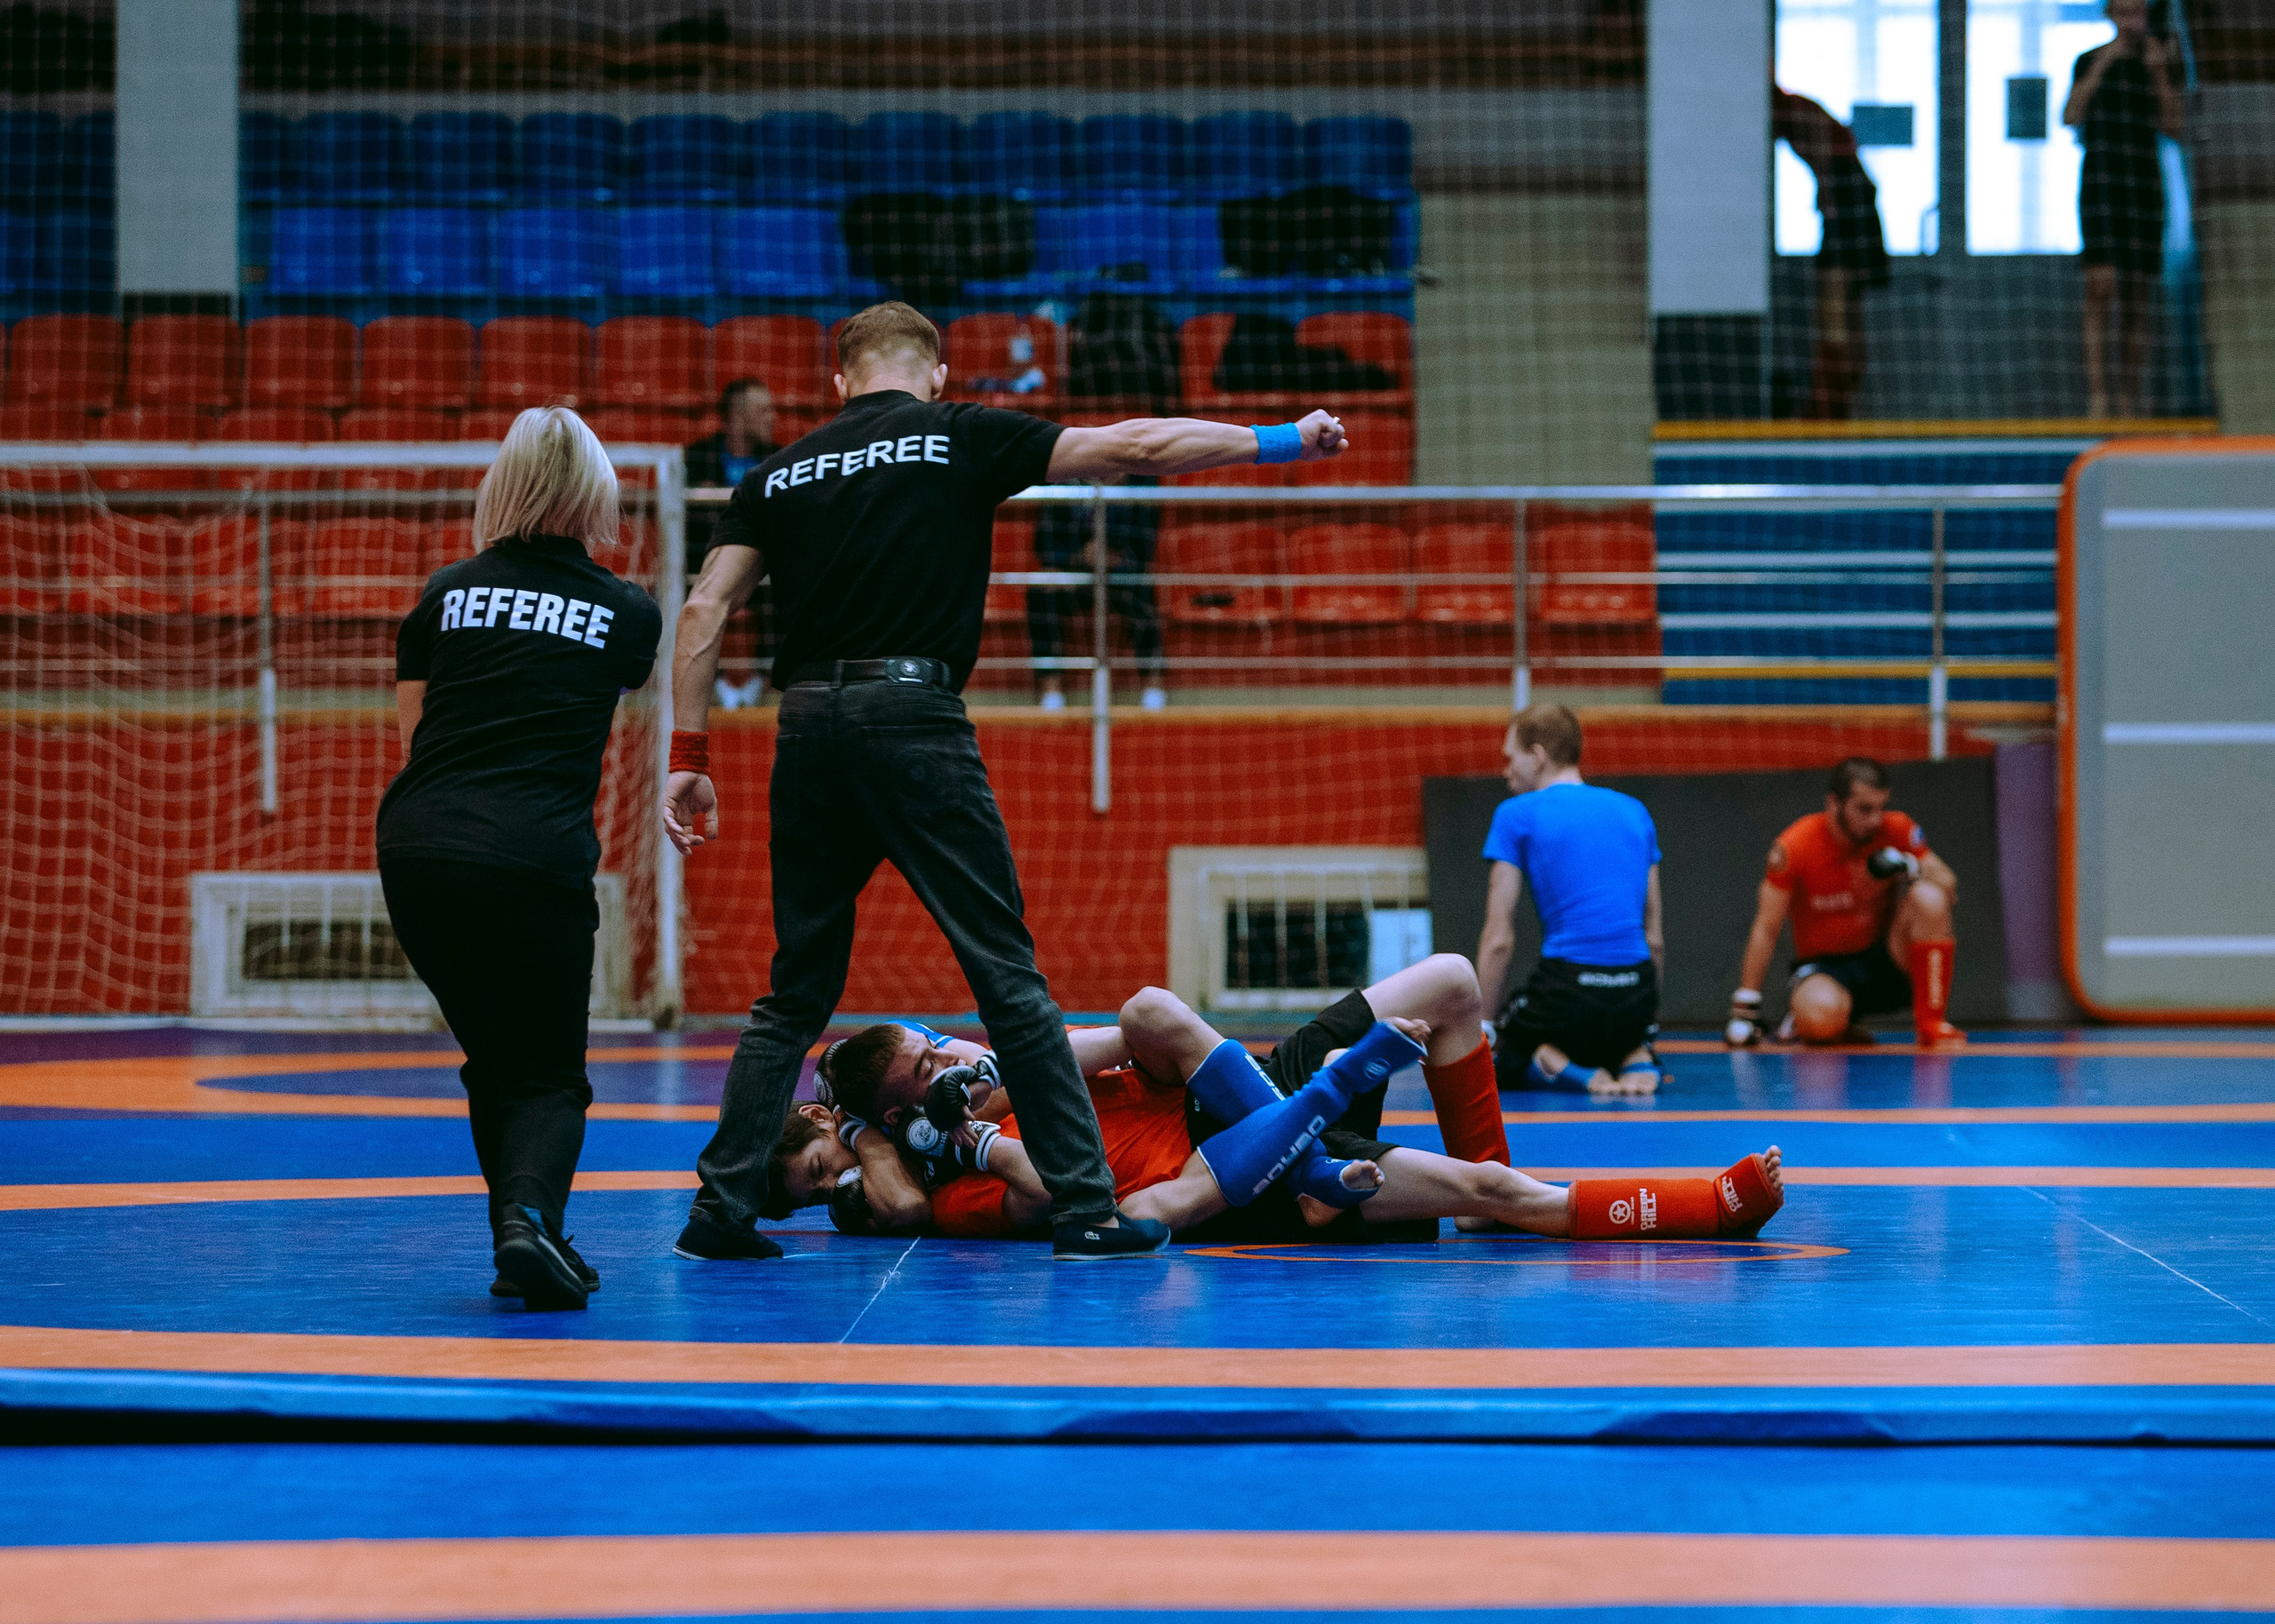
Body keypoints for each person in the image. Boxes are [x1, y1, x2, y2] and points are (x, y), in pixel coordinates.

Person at [661, 299, 1350, 1263]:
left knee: (791, 994)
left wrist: (688, 758)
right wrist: (1276, 437)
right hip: (913, 717)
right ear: (935, 375)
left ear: (838, 383)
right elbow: (1134, 449)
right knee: (1007, 979)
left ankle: (719, 1209)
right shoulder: (955, 434)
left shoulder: (778, 471)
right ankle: (1084, 1207)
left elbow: (701, 608)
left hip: (808, 724)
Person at [772, 969, 1784, 1246]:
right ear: (911, 1117)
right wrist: (971, 1128)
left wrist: (1003, 1063)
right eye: (929, 1073)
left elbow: (1149, 1032)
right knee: (1501, 1189)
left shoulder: (1017, 1062)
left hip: (1244, 1096)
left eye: (935, 1045)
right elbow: (986, 1200)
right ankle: (1704, 1204)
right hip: (1231, 1170)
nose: (949, 1065)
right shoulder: (965, 1173)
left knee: (1450, 981)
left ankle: (1316, 1132)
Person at [375, 406, 662, 1310]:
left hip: (417, 846)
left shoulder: (445, 592)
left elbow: (415, 735)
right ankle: (528, 1224)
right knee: (546, 1075)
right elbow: (592, 685)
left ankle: (522, 1238)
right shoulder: (627, 611)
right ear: (595, 494)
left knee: (493, 1063)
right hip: (531, 851)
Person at [1473, 703, 1664, 1097]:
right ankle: (1634, 1054)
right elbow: (1655, 938)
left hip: (1569, 993)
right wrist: (1645, 1022)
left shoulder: (1516, 814)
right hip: (1636, 991)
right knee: (1610, 1026)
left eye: (1511, 758)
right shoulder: (1636, 811)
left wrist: (1482, 1029)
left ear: (1538, 756)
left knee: (1491, 1054)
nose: (1505, 770)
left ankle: (1566, 1070)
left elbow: (1499, 939)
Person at [1725, 756, 1964, 1051]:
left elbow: (1948, 884)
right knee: (1820, 1018)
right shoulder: (1795, 846)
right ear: (1833, 804)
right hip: (1826, 968)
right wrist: (1745, 1006)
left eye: (1880, 807)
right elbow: (1766, 927)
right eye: (1864, 809)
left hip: (1886, 960)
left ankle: (1932, 1025)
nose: (1875, 819)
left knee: (1929, 896)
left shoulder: (1896, 829)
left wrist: (1909, 865)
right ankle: (1820, 1019)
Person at [2064, 0, 2183, 420]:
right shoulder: (2089, 60)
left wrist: (2158, 73)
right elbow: (2070, 115)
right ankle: (2098, 396)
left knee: (2136, 292)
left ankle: (2129, 397)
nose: (2133, 20)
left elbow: (2175, 126)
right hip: (2100, 180)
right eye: (2126, 11)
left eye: (2139, 12)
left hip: (2143, 182)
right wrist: (2102, 66)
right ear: (2111, 15)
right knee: (2099, 286)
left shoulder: (2161, 62)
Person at [1773, 87, 1890, 421]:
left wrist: (1826, 192)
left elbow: (1825, 145)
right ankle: (1835, 406)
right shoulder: (1797, 111)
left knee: (1835, 316)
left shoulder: (1793, 111)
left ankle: (1829, 410)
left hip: (1848, 206)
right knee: (1846, 317)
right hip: (1857, 204)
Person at [1026, 474, 1168, 712]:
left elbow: (1145, 543)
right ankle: (1052, 691)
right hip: (1073, 570)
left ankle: (1153, 687)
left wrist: (1112, 554)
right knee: (1041, 593)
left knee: (1141, 590)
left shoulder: (1143, 482)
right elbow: (1045, 543)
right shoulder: (1063, 482)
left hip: (1121, 571)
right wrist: (1079, 558)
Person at [683, 379, 779, 712]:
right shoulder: (696, 458)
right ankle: (701, 681)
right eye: (764, 410)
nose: (773, 417)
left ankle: (773, 678)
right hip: (705, 566)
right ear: (738, 417)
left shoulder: (780, 460)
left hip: (765, 565)